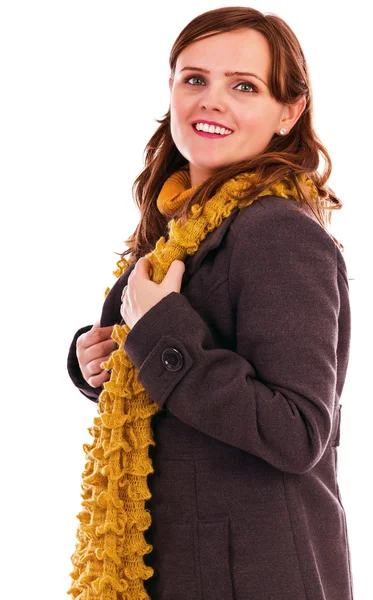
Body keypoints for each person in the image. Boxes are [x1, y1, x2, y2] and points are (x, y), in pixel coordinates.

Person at [67, 6, 354, 600]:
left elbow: (297, 431)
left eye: (244, 86)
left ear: (288, 112)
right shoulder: (177, 229)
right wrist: (100, 359)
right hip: (181, 563)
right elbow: (174, 377)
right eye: (194, 79)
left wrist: (160, 336)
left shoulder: (278, 231)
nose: (211, 101)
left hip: (252, 574)